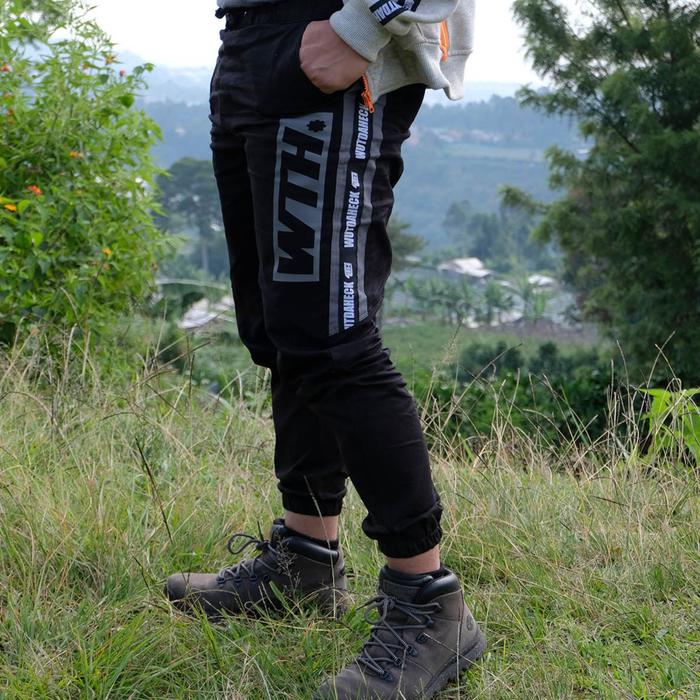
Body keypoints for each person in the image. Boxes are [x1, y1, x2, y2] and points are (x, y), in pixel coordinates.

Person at [165, 0, 486, 697]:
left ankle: (428, 601)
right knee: (284, 329)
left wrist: (364, 27)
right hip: (254, 38)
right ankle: (307, 559)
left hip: (334, 42)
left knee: (332, 339)